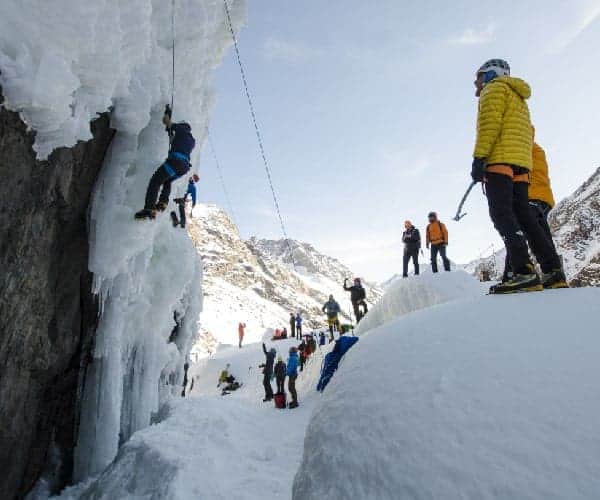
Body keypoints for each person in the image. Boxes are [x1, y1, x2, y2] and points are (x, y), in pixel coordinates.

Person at [471, 58, 564, 293]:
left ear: (490, 74)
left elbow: (489, 125)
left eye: (478, 77)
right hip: (522, 165)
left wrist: (479, 158)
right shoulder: (519, 97)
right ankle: (553, 271)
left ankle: (523, 272)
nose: (476, 84)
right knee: (525, 218)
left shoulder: (494, 89)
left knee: (501, 214)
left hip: (500, 161)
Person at [498, 131, 568, 289]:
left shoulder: (524, 149)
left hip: (531, 196)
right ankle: (555, 275)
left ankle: (514, 274)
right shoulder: (536, 148)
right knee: (540, 232)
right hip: (543, 198)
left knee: (518, 232)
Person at [135, 106, 196, 219]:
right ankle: (163, 202)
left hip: (175, 162)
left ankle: (149, 209)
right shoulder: (191, 140)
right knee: (167, 180)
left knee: (155, 181)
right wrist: (171, 135)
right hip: (184, 166)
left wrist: (167, 116)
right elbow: (177, 143)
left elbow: (167, 122)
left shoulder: (181, 129)